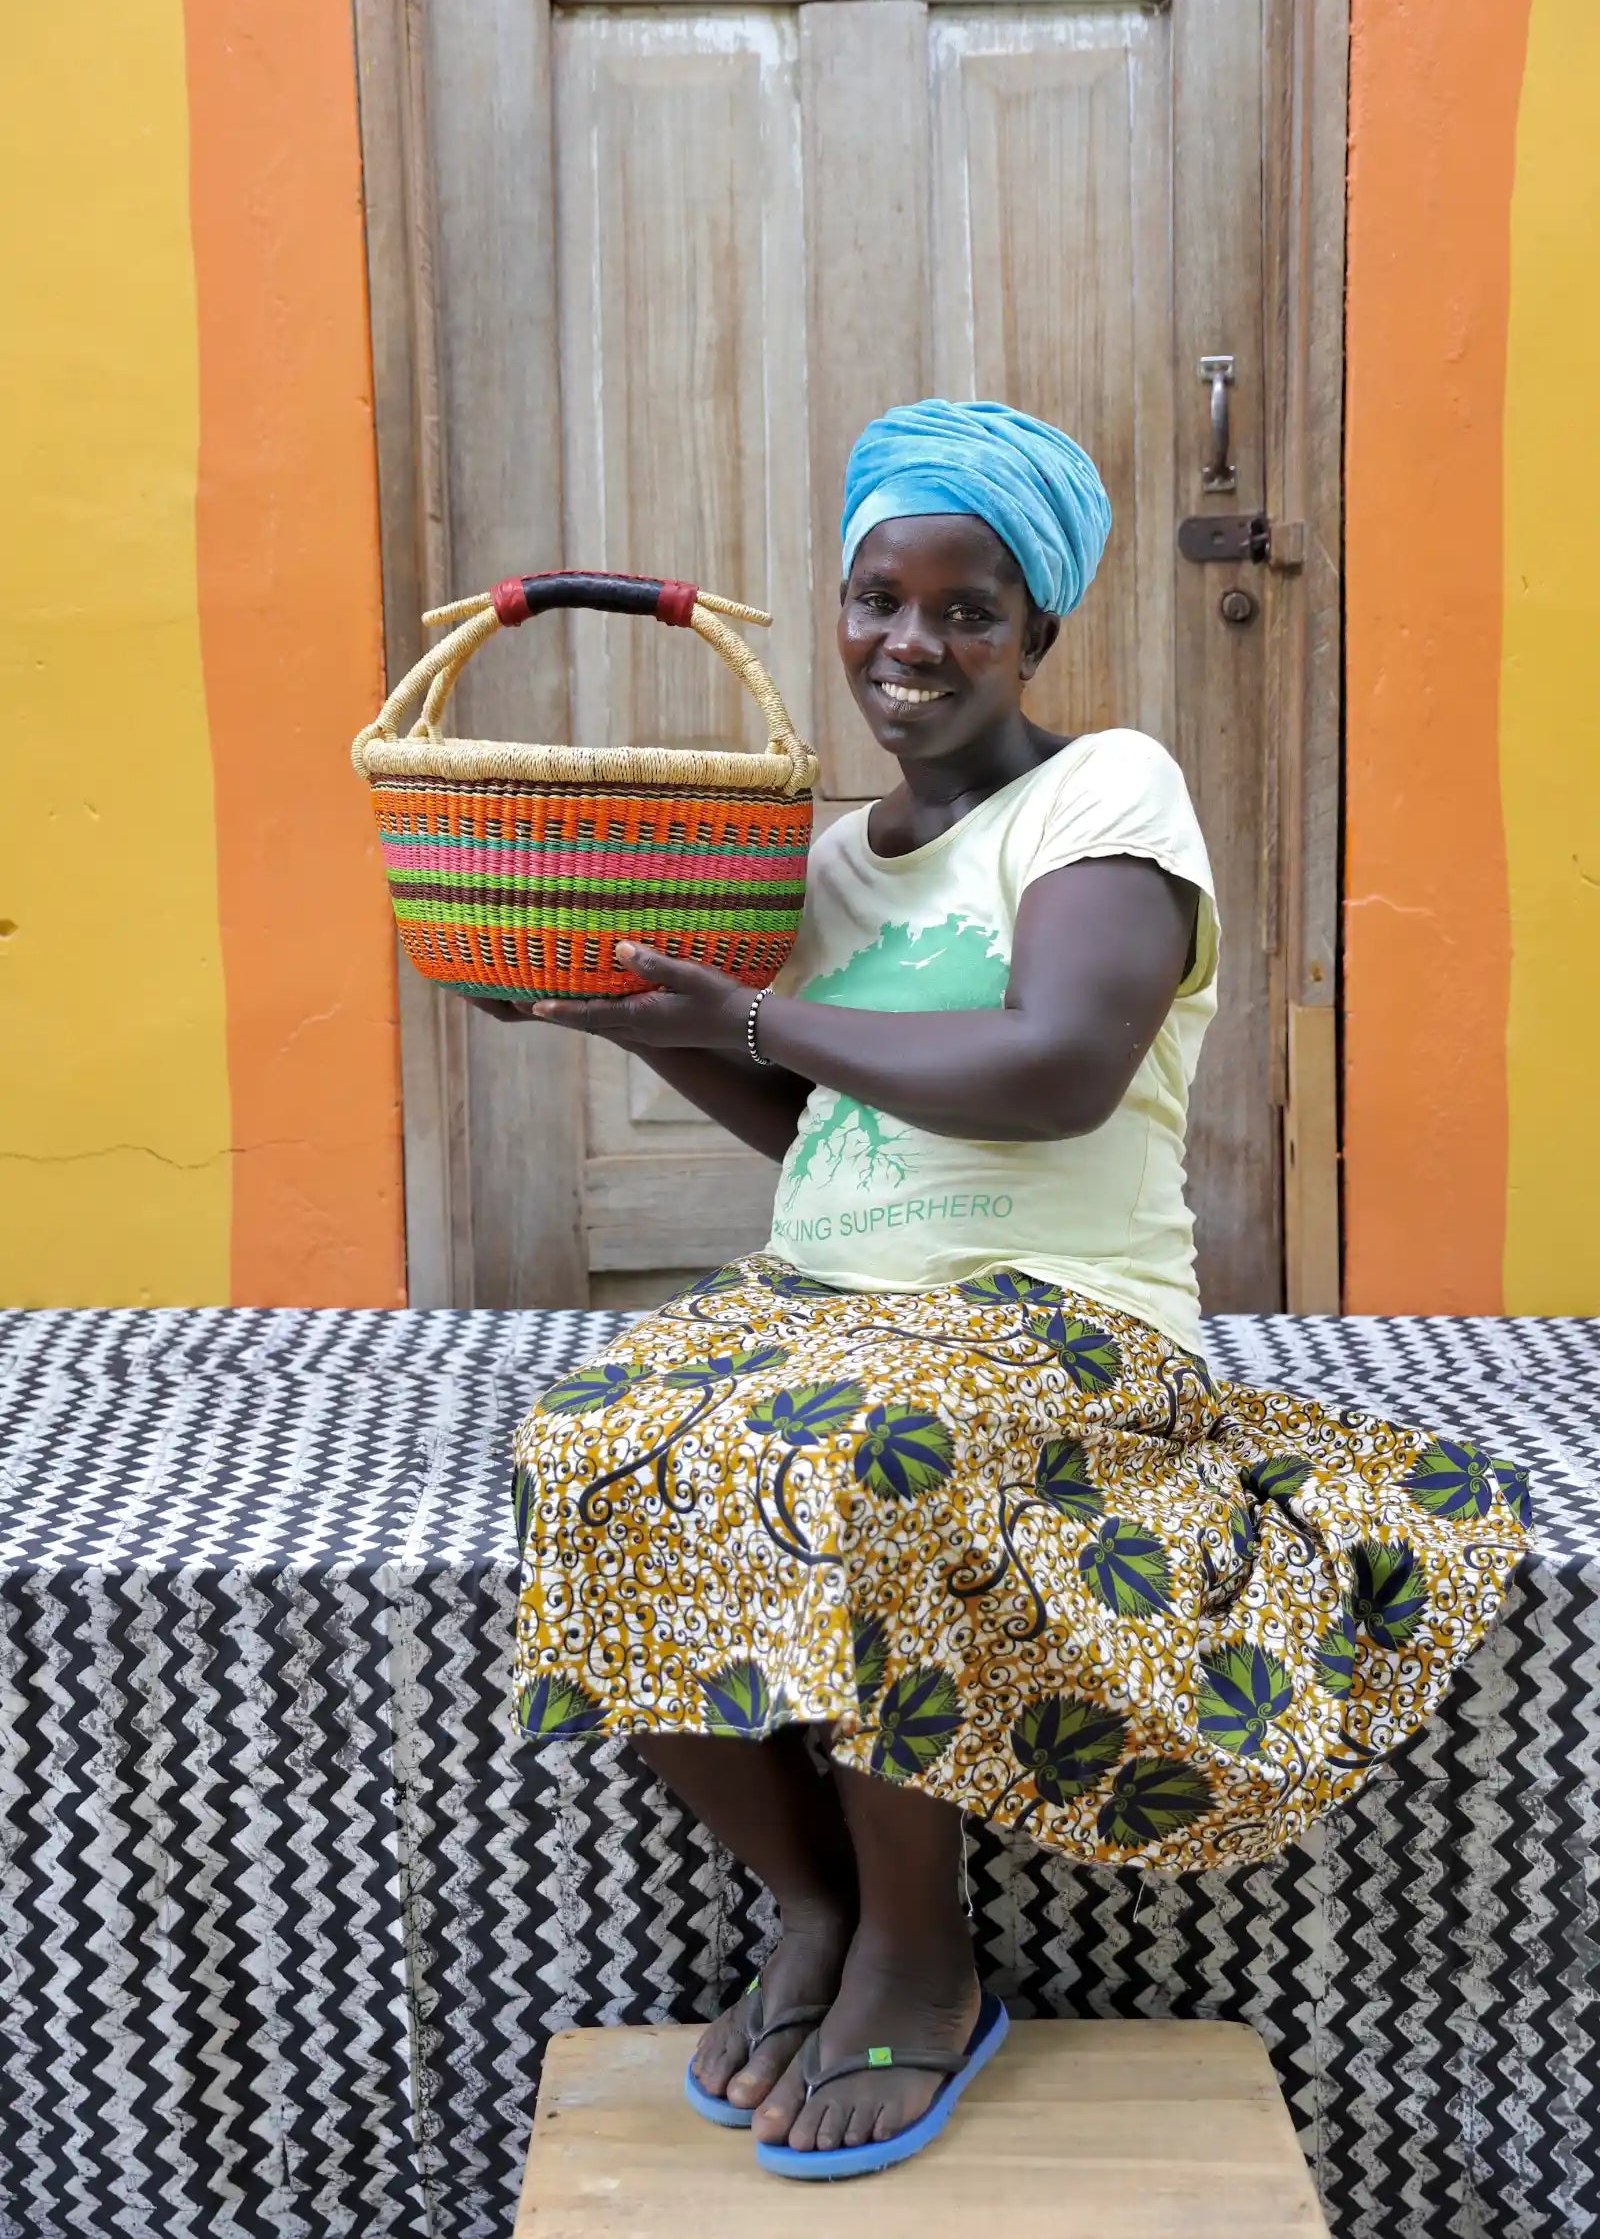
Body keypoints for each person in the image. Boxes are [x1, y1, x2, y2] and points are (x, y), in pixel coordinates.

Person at [486, 399, 1528, 2181]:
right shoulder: (827, 864)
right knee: (588, 1444)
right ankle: (810, 1898)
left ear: (1037, 628)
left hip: (1058, 1309)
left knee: (877, 1460)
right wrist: (640, 1023)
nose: (911, 642)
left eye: (966, 609)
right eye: (877, 598)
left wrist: (736, 1009)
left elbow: (1057, 1066)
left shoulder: (1105, 790)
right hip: (819, 1295)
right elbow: (817, 1111)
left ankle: (922, 1944)